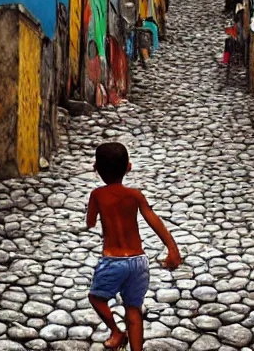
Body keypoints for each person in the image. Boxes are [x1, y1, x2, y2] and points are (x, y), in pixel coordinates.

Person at [87, 142, 182, 351]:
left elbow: (90, 222)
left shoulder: (97, 195)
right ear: (129, 167)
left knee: (96, 297)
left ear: (97, 168)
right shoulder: (135, 195)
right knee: (133, 309)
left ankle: (116, 331)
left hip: (113, 260)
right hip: (139, 261)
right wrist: (172, 248)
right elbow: (153, 219)